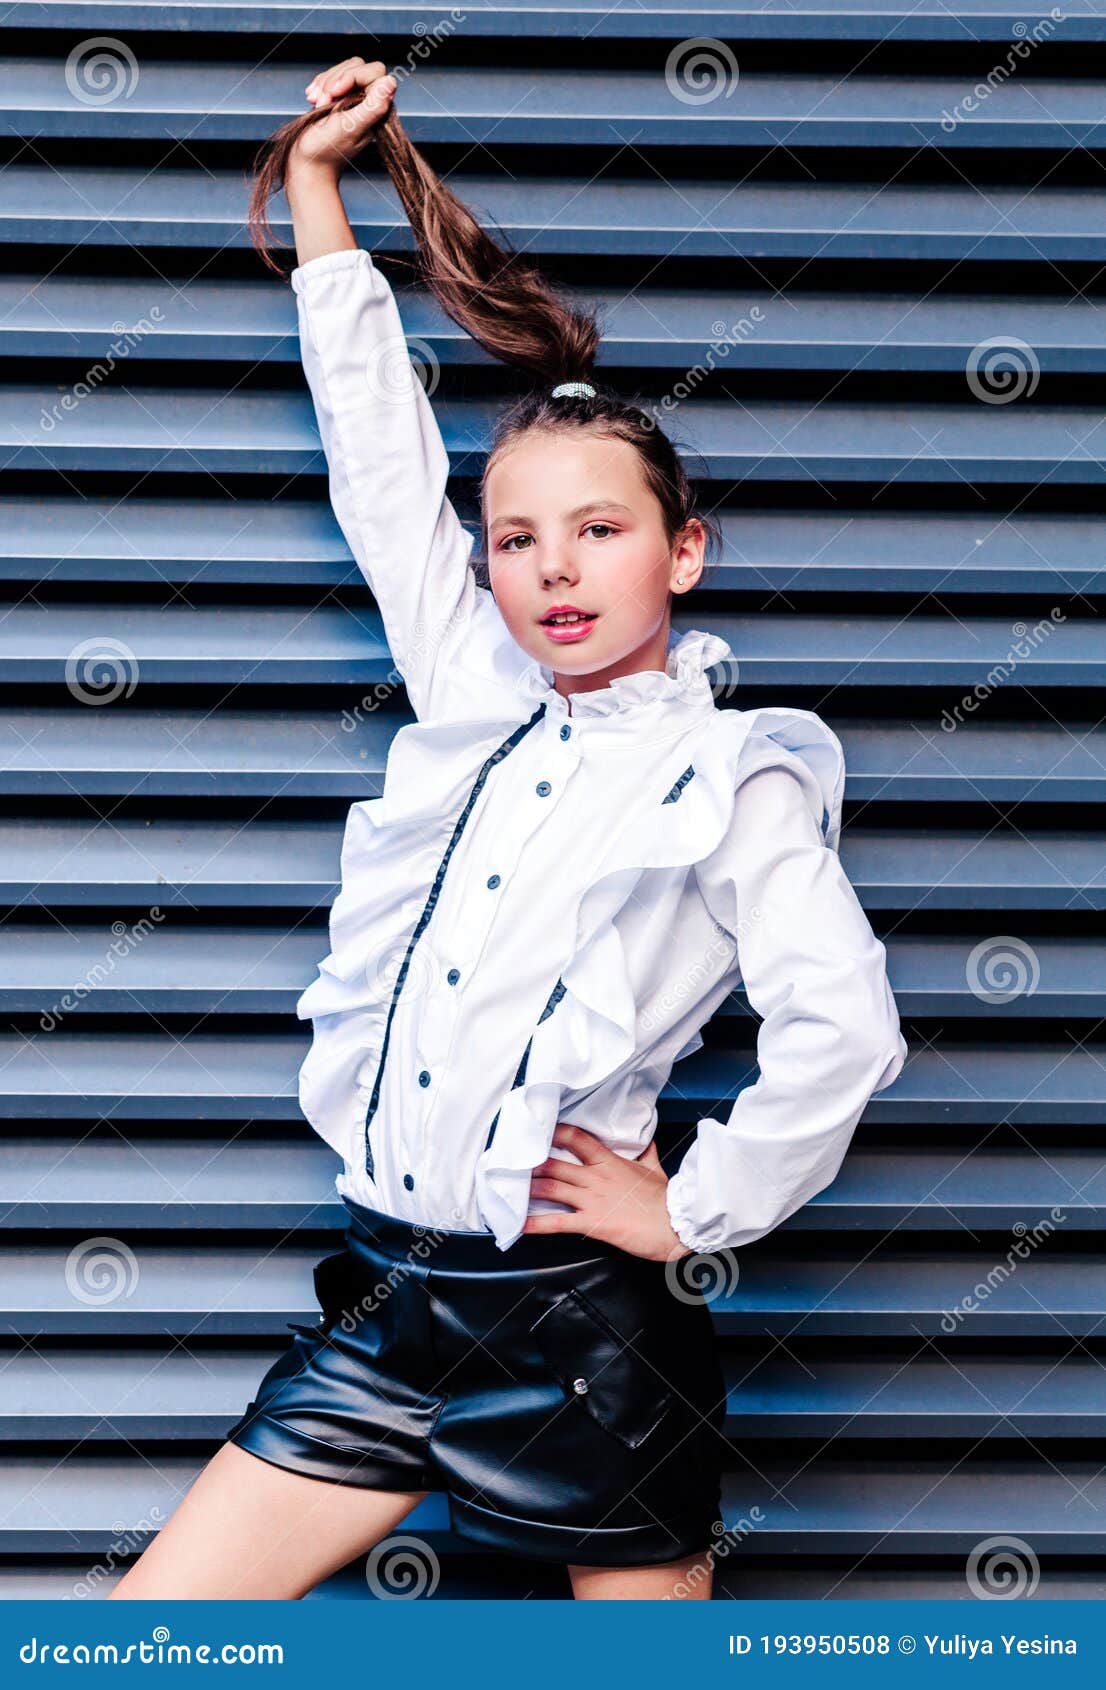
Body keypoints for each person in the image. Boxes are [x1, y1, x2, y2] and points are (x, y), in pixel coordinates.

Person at [110, 58, 907, 1603]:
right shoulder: (472, 689)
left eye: (600, 530)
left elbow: (845, 1024)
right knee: (152, 1637)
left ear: (682, 550)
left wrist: (687, 1207)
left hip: (580, 1340)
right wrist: (327, 196)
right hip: (386, 1305)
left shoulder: (731, 773)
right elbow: (380, 464)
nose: (553, 569)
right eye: (517, 538)